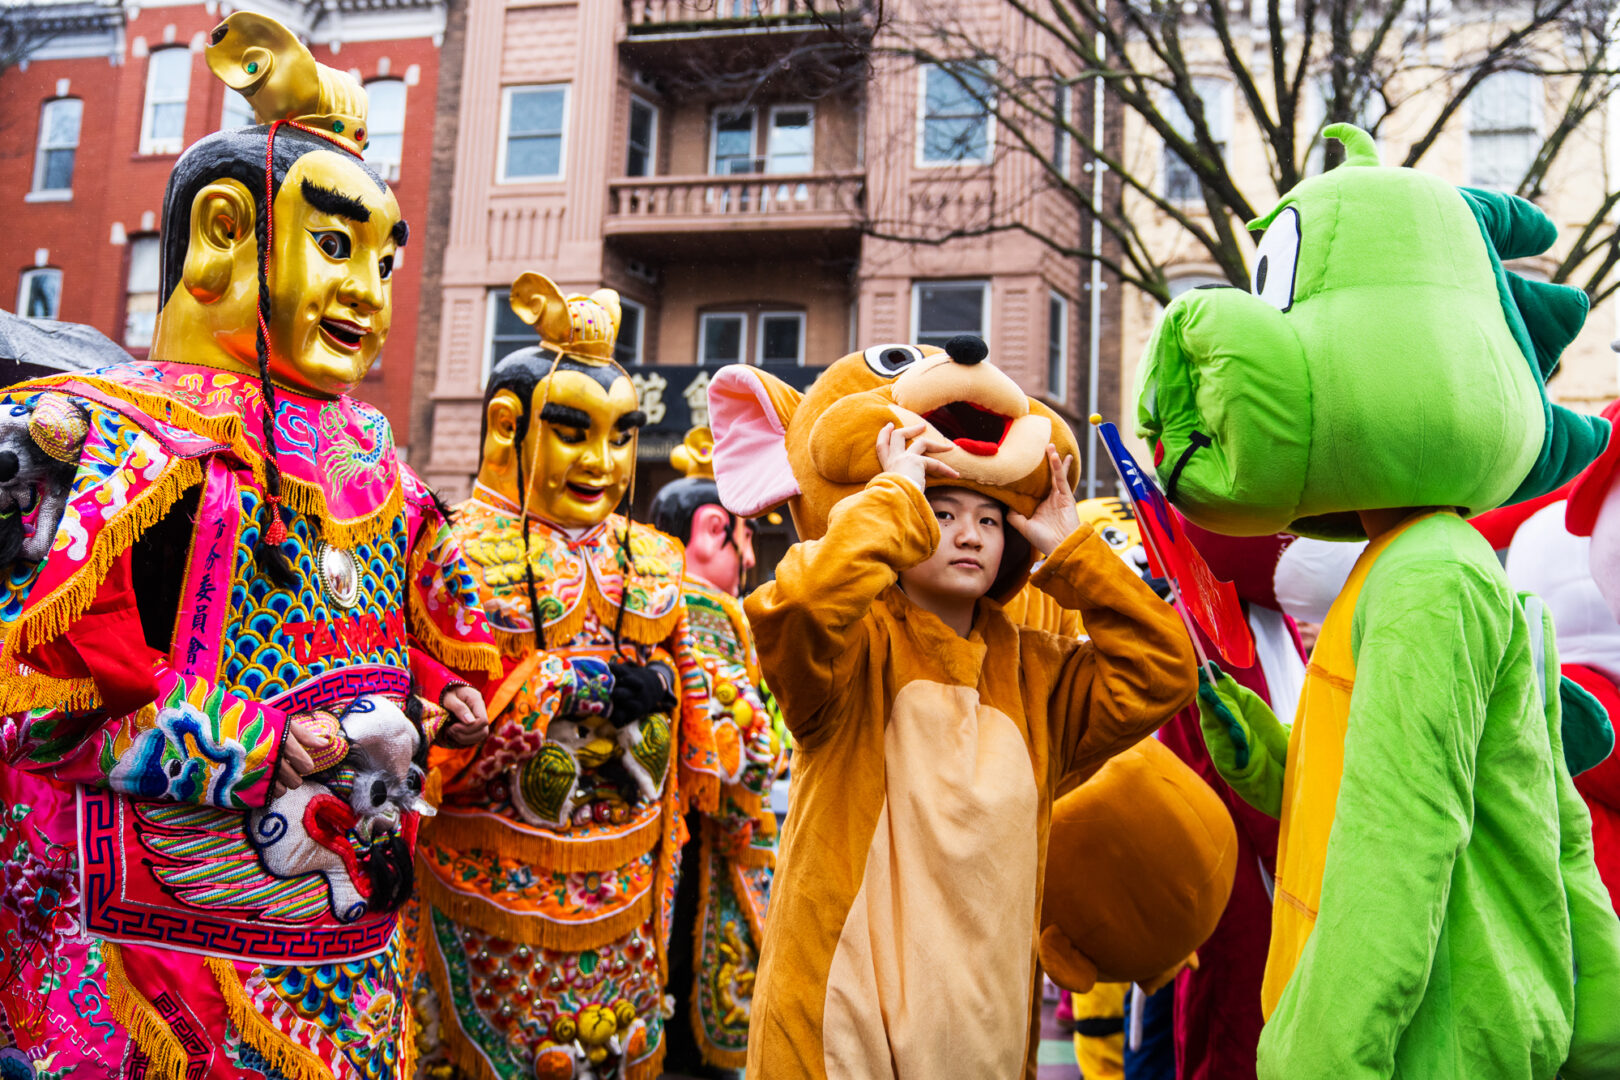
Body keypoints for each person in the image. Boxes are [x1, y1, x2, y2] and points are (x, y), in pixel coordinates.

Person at [0, 12, 501, 1077]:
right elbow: (51, 694)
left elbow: (424, 624)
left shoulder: (375, 459)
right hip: (157, 931)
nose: (369, 292)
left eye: (379, 257)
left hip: (350, 921)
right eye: (335, 248)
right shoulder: (106, 441)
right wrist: (255, 741)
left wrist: (446, 687)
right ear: (227, 233)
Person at [1140, 123, 1620, 1078]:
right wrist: (1279, 764)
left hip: (1432, 1038)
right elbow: (1501, 801)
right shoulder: (1416, 564)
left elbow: (1402, 843)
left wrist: (1322, 1049)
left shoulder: (1427, 579)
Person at [741, 419, 1195, 1078]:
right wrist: (894, 495)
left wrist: (1072, 549)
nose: (968, 535)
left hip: (980, 1034)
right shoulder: (850, 658)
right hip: (843, 1031)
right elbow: (804, 605)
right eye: (943, 510)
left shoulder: (1040, 677)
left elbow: (1165, 670)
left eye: (990, 520)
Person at [417, 273, 713, 1080]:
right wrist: (569, 688)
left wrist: (662, 696)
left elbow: (694, 712)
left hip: (627, 867)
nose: (603, 463)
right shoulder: (454, 554)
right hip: (494, 879)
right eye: (575, 433)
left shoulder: (652, 556)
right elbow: (436, 735)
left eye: (622, 437)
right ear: (507, 428)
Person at [649, 428, 788, 1076]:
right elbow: (752, 743)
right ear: (711, 531)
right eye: (747, 533)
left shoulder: (669, 603)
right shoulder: (703, 613)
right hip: (707, 843)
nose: (752, 551)